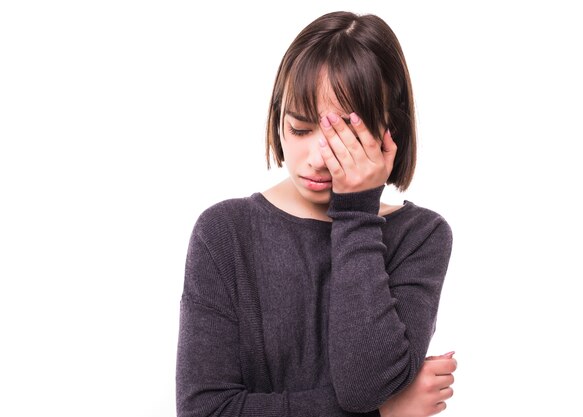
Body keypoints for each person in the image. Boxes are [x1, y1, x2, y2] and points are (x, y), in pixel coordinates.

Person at [176, 11, 456, 417]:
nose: (318, 159)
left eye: (345, 134)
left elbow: (363, 385)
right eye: (301, 130)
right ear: (278, 122)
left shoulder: (421, 236)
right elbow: (205, 411)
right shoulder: (224, 233)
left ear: (388, 131)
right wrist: (383, 413)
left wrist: (357, 211)